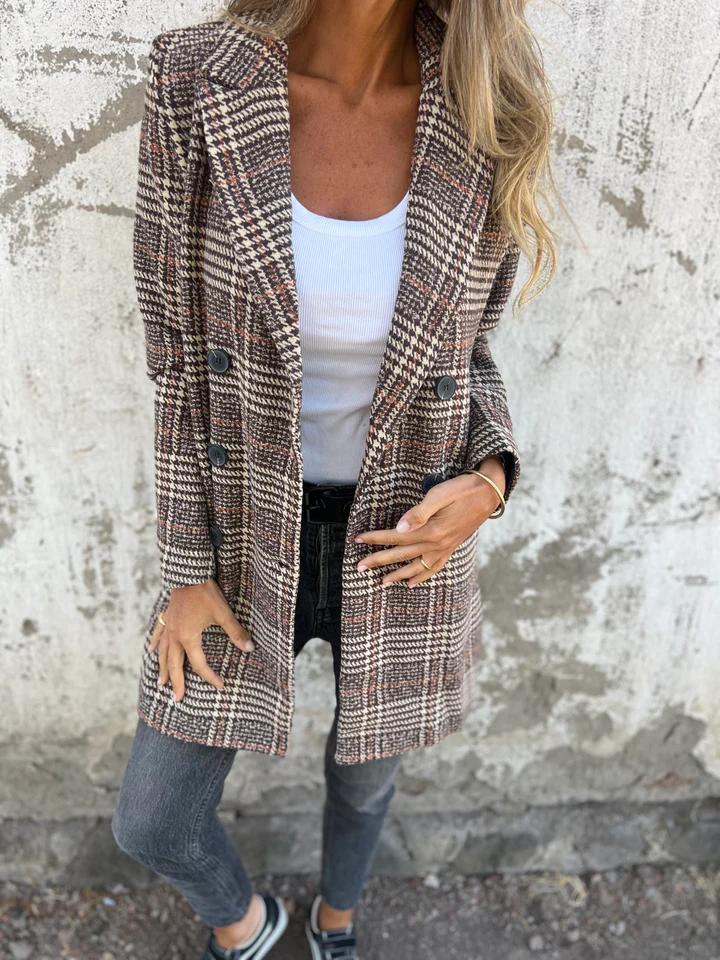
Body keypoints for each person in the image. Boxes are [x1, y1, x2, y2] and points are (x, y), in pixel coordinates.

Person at [111, 1, 557, 957]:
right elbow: (177, 359)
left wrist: (490, 482)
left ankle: (337, 923)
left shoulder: (487, 106)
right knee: (154, 816)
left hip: (402, 534)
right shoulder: (198, 79)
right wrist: (187, 568)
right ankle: (248, 926)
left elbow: (471, 352)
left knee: (366, 776)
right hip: (243, 532)